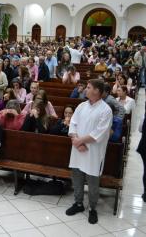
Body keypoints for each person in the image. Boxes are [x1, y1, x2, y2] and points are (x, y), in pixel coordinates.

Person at [65, 79, 113, 224]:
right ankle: (78, 203)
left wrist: (80, 141)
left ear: (97, 91)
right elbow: (73, 123)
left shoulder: (106, 110)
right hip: (78, 149)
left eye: (88, 87)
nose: (85, 89)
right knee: (77, 177)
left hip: (93, 153)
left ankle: (92, 208)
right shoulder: (81, 106)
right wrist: (75, 139)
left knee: (92, 183)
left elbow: (100, 132)